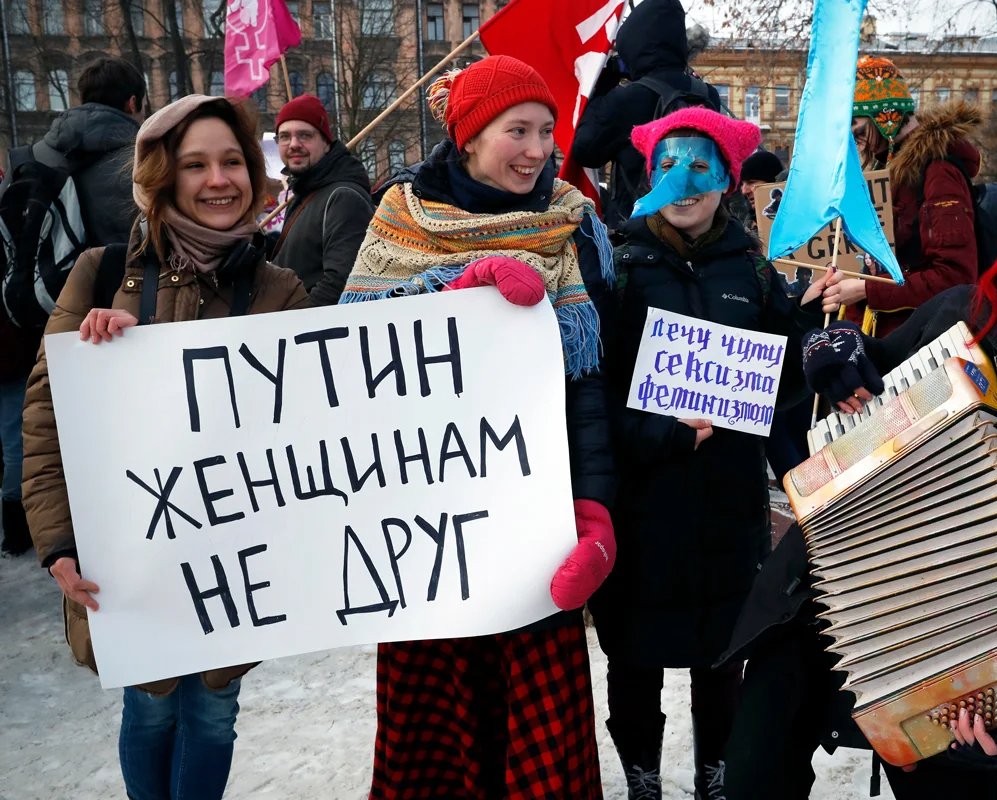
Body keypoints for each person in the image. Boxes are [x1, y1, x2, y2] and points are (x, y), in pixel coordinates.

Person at [719, 159, 997, 800]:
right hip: (826, 592)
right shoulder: (963, 314)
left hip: (954, 653)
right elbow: (863, 377)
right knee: (752, 778)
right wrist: (830, 350)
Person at [339, 55, 617, 799]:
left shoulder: (573, 222)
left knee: (529, 733)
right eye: (516, 130)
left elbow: (588, 385)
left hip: (534, 516)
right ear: (468, 137)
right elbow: (353, 358)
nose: (536, 150)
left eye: (546, 131)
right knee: (439, 729)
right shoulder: (400, 217)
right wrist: (458, 296)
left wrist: (594, 509)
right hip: (428, 526)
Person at [22, 94, 308, 800]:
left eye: (233, 161)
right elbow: (45, 420)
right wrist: (59, 543)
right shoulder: (100, 274)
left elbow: (317, 422)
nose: (219, 179)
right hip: (130, 557)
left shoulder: (279, 290)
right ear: (163, 177)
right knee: (149, 710)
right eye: (195, 164)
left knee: (213, 713)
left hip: (235, 563)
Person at [586, 106, 824, 800]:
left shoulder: (752, 272)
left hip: (727, 509)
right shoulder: (616, 269)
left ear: (727, 179)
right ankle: (643, 779)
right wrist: (661, 433)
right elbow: (593, 391)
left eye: (700, 167)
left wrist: (807, 323)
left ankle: (714, 781)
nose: (683, 182)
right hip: (644, 510)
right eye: (668, 165)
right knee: (634, 662)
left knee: (722, 660)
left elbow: (780, 387)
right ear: (648, 175)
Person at [0, 56, 146, 556]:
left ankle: (46, 533)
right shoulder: (139, 162)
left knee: (49, 432)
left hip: (47, 320)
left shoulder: (35, 157)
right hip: (124, 325)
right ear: (134, 102)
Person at [822, 55, 981, 338]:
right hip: (888, 334)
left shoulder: (938, 172)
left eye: (855, 123)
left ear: (884, 116)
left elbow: (954, 277)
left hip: (918, 342)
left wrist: (865, 289)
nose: (852, 136)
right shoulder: (886, 166)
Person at [571, 0, 720, 231]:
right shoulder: (707, 93)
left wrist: (603, 85)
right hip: (699, 223)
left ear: (633, 44)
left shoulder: (628, 99)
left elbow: (585, 151)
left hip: (640, 231)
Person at [271, 94, 375, 305]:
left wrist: (287, 322)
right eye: (284, 136)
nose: (293, 144)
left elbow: (339, 284)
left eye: (304, 135)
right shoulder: (307, 190)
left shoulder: (343, 198)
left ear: (326, 143)